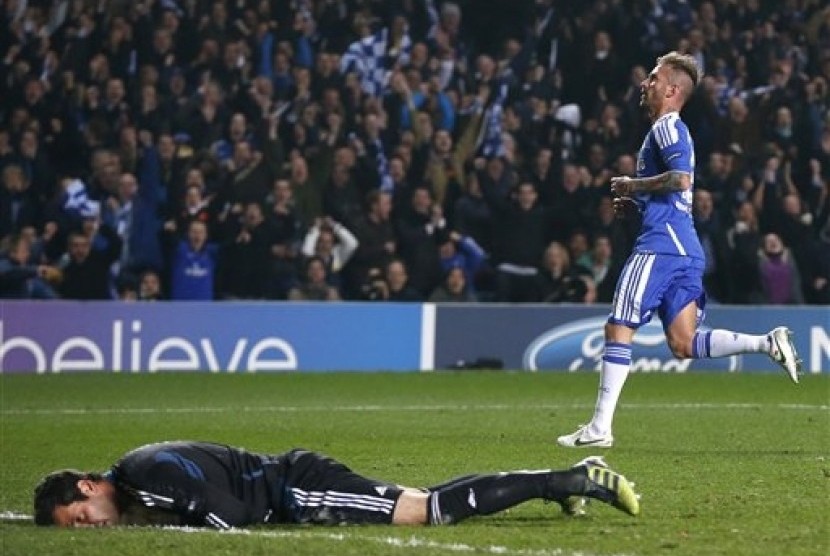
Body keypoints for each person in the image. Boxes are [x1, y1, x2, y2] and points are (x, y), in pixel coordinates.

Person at [557, 52, 803, 449]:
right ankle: (766, 343)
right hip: (684, 247)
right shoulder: (666, 131)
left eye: (653, 78)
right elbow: (672, 188)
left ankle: (600, 428)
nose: (645, 84)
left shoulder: (667, 127)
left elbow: (682, 179)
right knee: (683, 343)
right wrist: (634, 201)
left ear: (672, 90)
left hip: (660, 247)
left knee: (619, 326)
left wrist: (632, 186)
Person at [33, 440, 639, 529]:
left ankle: (571, 477)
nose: (94, 530)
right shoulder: (139, 474)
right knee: (423, 498)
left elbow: (221, 513)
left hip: (298, 490)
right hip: (292, 482)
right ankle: (555, 485)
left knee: (425, 512)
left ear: (88, 487)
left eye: (83, 520)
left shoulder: (149, 480)